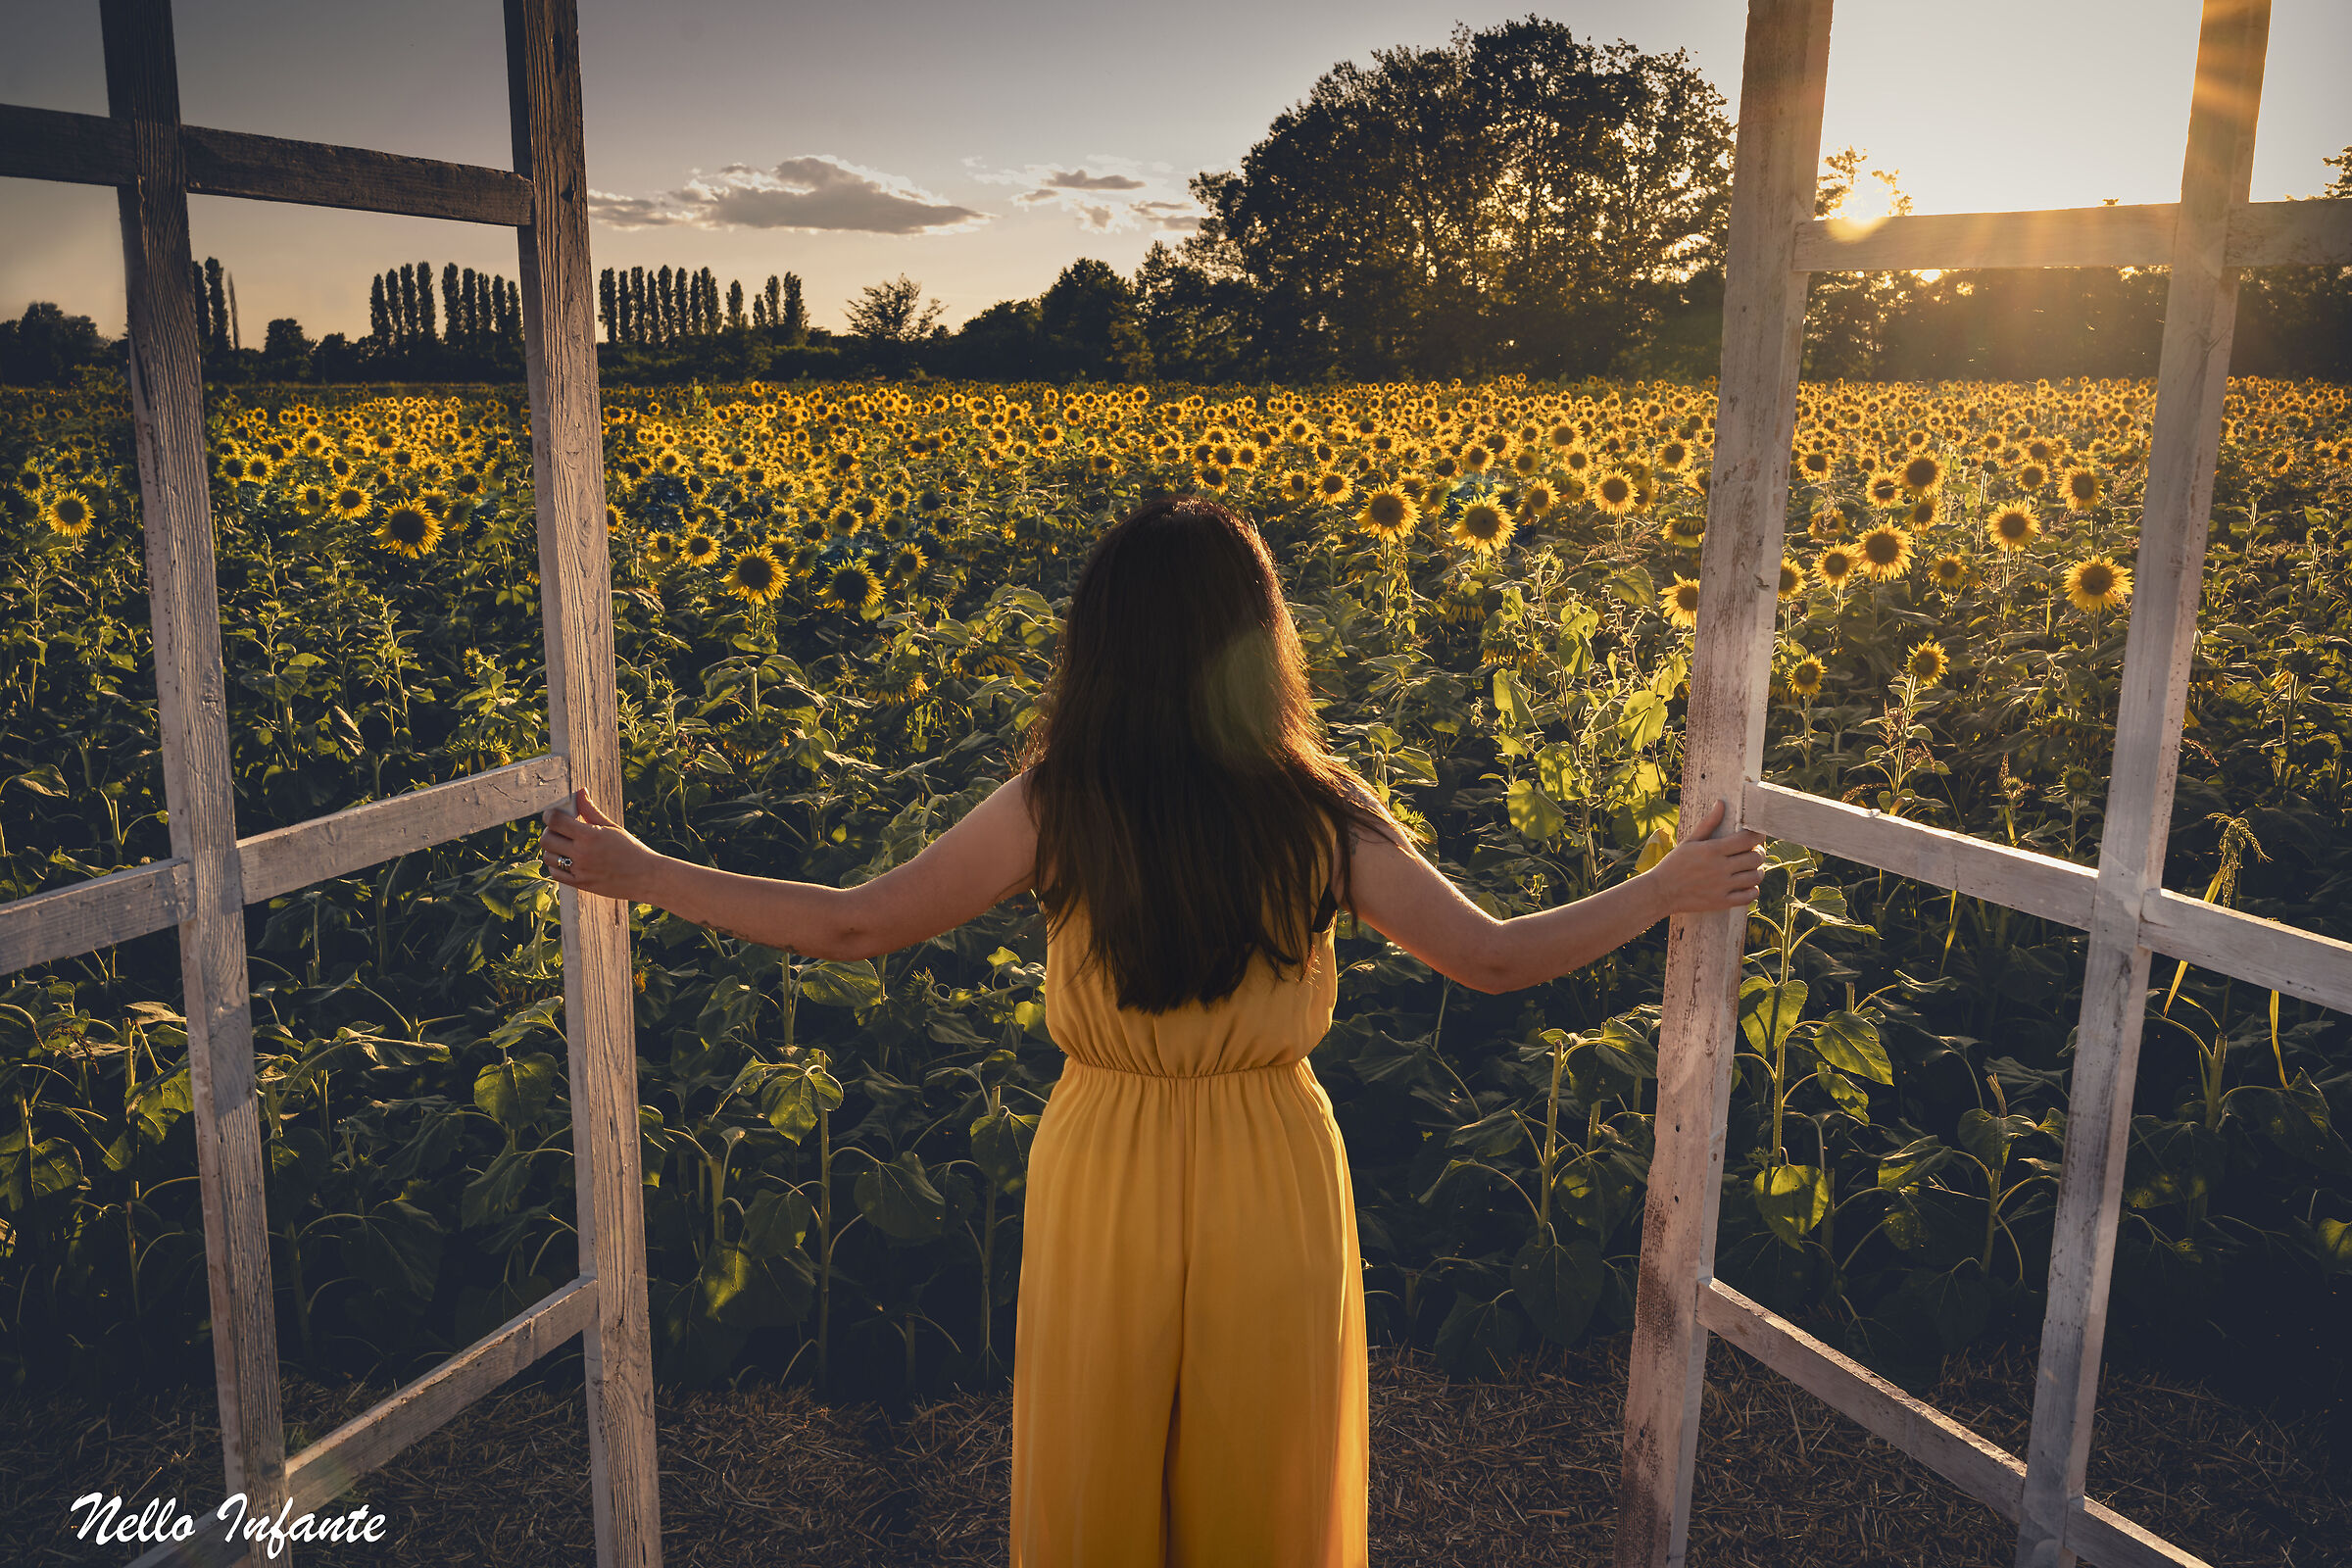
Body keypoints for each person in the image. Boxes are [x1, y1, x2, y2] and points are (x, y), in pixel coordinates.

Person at [536, 495, 1765, 1568]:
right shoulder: (1317, 809)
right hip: (1271, 1164)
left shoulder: (1058, 799)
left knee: (1101, 1469)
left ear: (1102, 646)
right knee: (1264, 1478)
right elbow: (1493, 958)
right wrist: (1662, 888)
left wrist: (642, 869)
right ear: (1258, 639)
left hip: (1103, 1157)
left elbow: (857, 926)